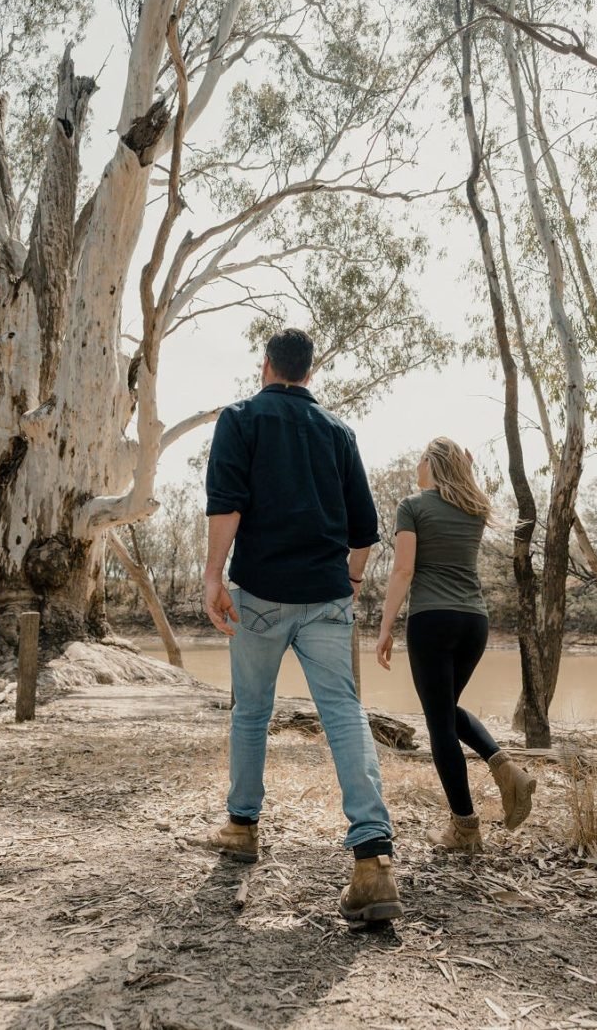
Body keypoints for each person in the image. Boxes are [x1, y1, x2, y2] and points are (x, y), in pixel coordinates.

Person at [201, 328, 402, 924]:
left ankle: (242, 828)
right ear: (309, 374)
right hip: (326, 596)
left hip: (260, 592)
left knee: (252, 712)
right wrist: (352, 586)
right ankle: (372, 860)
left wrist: (214, 576)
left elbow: (226, 503)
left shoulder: (240, 419)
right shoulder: (339, 432)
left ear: (266, 366)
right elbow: (364, 532)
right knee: (343, 712)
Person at [374, 437, 535, 849]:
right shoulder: (474, 509)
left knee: (439, 723)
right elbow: (465, 487)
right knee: (444, 709)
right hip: (474, 623)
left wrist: (385, 627)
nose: (416, 463)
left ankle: (465, 828)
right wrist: (466, 465)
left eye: (420, 456)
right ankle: (506, 770)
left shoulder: (412, 506)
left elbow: (404, 571)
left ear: (432, 462)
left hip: (433, 620)